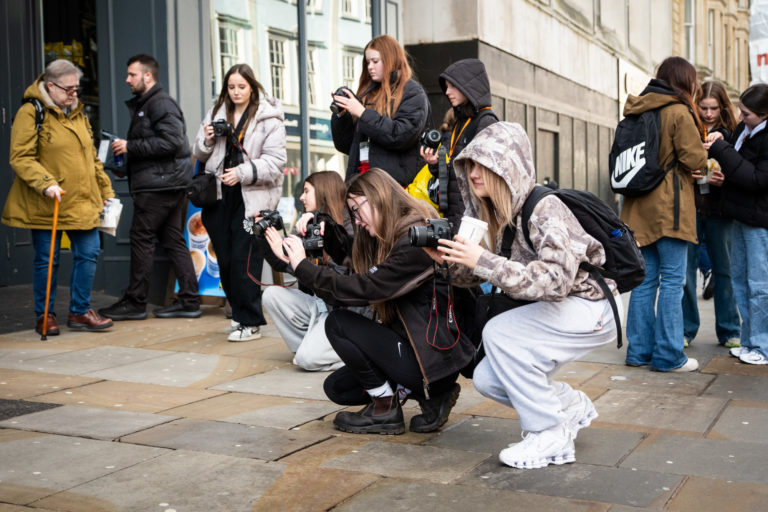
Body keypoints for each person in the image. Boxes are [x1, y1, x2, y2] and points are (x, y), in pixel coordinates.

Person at [431, 121, 621, 469]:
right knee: (488, 377)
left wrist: (483, 260)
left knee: (498, 333)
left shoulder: (544, 207)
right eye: (469, 165)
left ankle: (548, 432)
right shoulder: (491, 214)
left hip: (592, 305)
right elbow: (472, 275)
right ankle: (566, 404)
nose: (472, 173)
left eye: (481, 164)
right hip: (566, 308)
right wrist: (447, 262)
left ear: (506, 165)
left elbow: (557, 280)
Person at [280, 168, 474, 434]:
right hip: (421, 353)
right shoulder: (396, 233)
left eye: (356, 210)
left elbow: (366, 286)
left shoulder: (415, 240)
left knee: (338, 324)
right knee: (339, 388)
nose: (356, 221)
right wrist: (327, 232)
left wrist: (303, 266)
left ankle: (387, 409)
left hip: (431, 361)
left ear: (377, 198)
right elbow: (356, 263)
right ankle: (433, 398)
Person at [2, 59, 114, 333]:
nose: (74, 94)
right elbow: (20, 157)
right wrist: (46, 183)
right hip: (48, 201)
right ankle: (45, 315)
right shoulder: (32, 112)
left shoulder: (79, 113)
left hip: (82, 201)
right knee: (47, 260)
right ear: (50, 86)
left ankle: (79, 311)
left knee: (88, 253)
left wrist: (106, 191)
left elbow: (92, 160)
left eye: (77, 88)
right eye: (68, 89)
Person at [620, 57, 708, 372]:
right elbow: (694, 158)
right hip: (669, 210)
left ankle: (639, 351)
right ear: (686, 82)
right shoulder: (678, 111)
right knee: (672, 280)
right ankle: (669, 355)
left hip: (636, 210)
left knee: (644, 282)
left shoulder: (636, 110)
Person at [99, 54, 200, 321]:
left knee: (142, 239)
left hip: (160, 187)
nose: (127, 79)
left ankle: (135, 302)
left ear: (148, 76)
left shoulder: (160, 103)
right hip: (168, 184)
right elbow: (162, 145)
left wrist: (130, 146)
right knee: (173, 240)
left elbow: (171, 143)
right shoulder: (151, 103)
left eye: (132, 74)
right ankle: (189, 301)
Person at [191, 63, 286, 342]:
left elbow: (276, 162)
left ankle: (250, 320)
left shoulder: (269, 118)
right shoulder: (216, 112)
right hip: (219, 197)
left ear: (252, 87)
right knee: (226, 258)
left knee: (245, 259)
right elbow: (197, 151)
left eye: (241, 87)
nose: (235, 92)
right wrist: (207, 141)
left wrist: (242, 173)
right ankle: (239, 315)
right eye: (231, 87)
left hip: (252, 197)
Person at [705, 83, 768, 365]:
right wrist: (726, 147)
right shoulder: (746, 130)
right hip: (742, 216)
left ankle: (763, 346)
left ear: (764, 114)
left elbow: (757, 179)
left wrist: (722, 149)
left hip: (759, 221)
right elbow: (739, 166)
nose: (741, 118)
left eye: (747, 114)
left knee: (760, 286)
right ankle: (749, 341)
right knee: (742, 282)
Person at [260, 171, 348, 371]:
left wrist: (299, 262)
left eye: (306, 191)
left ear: (324, 193)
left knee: (306, 360)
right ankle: (307, 348)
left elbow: (341, 278)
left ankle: (352, 355)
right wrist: (264, 238)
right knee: (272, 294)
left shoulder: (345, 228)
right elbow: (286, 265)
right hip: (320, 306)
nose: (301, 197)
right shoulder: (309, 225)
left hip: (343, 311)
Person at [682, 80, 741, 349]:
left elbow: (743, 170)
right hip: (691, 207)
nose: (708, 114)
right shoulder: (688, 125)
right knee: (685, 273)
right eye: (703, 108)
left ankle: (729, 330)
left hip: (720, 209)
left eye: (714, 108)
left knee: (724, 271)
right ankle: (685, 329)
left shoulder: (734, 132)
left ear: (723, 107)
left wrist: (724, 180)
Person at [330, 35, 428, 187]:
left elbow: (401, 135)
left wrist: (362, 113)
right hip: (361, 184)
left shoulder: (412, 92)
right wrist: (342, 115)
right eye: (367, 62)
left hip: (393, 189)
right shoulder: (367, 93)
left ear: (391, 60)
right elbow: (346, 145)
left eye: (375, 61)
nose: (370, 67)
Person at [420, 58, 498, 232]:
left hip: (472, 215)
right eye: (446, 86)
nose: (447, 92)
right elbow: (456, 173)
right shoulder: (461, 122)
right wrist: (435, 164)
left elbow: (486, 175)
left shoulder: (485, 121)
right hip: (457, 212)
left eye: (453, 86)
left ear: (468, 88)